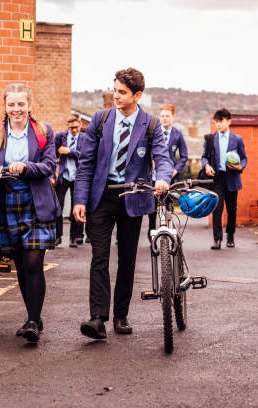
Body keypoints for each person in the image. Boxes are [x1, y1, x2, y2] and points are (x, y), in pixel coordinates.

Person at [73, 67, 174, 339]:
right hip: (102, 196)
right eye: (115, 90)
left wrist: (162, 178)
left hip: (134, 196)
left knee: (127, 259)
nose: (115, 96)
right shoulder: (100, 119)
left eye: (122, 92)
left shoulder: (150, 124)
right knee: (99, 257)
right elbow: (86, 163)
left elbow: (163, 158)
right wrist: (79, 199)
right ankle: (97, 319)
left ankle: (121, 316)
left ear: (137, 95)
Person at [0, 83, 60, 343]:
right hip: (5, 203)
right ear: (5, 106)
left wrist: (25, 167)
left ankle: (32, 322)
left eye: (21, 104)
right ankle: (35, 317)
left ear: (30, 105)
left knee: (33, 263)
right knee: (20, 265)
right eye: (11, 105)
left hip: (35, 203)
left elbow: (49, 166)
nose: (16, 109)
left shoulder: (43, 131)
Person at [201, 108, 247, 250]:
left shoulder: (237, 139)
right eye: (216, 122)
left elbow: (244, 158)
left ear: (229, 122)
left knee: (232, 210)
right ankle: (217, 239)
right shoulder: (210, 139)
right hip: (217, 178)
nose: (218, 125)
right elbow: (204, 157)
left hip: (232, 177)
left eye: (221, 121)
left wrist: (239, 167)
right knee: (217, 208)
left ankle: (230, 237)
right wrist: (206, 165)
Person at [148, 104, 188, 237]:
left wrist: (176, 170)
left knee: (168, 204)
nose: (164, 119)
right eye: (162, 116)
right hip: (153, 175)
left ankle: (169, 230)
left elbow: (184, 156)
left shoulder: (178, 134)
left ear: (173, 117)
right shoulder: (154, 132)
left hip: (170, 175)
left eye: (167, 116)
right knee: (153, 206)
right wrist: (150, 162)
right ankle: (151, 230)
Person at [54, 113, 86, 248]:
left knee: (76, 206)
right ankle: (57, 237)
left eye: (77, 128)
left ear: (80, 126)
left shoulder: (84, 138)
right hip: (63, 177)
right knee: (57, 207)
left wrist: (70, 151)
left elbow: (85, 157)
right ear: (67, 126)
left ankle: (76, 237)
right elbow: (52, 154)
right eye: (72, 127)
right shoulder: (60, 137)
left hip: (78, 177)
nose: (74, 130)